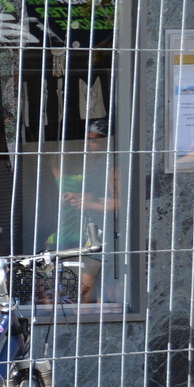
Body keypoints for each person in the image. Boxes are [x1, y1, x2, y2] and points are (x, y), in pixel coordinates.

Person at [49, 118, 116, 302]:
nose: (89, 143)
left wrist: (89, 204)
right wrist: (81, 197)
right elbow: (100, 193)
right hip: (94, 233)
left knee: (85, 288)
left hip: (106, 234)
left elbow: (123, 203)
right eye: (88, 139)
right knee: (89, 290)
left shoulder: (112, 165)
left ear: (108, 140)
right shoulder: (97, 163)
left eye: (95, 140)